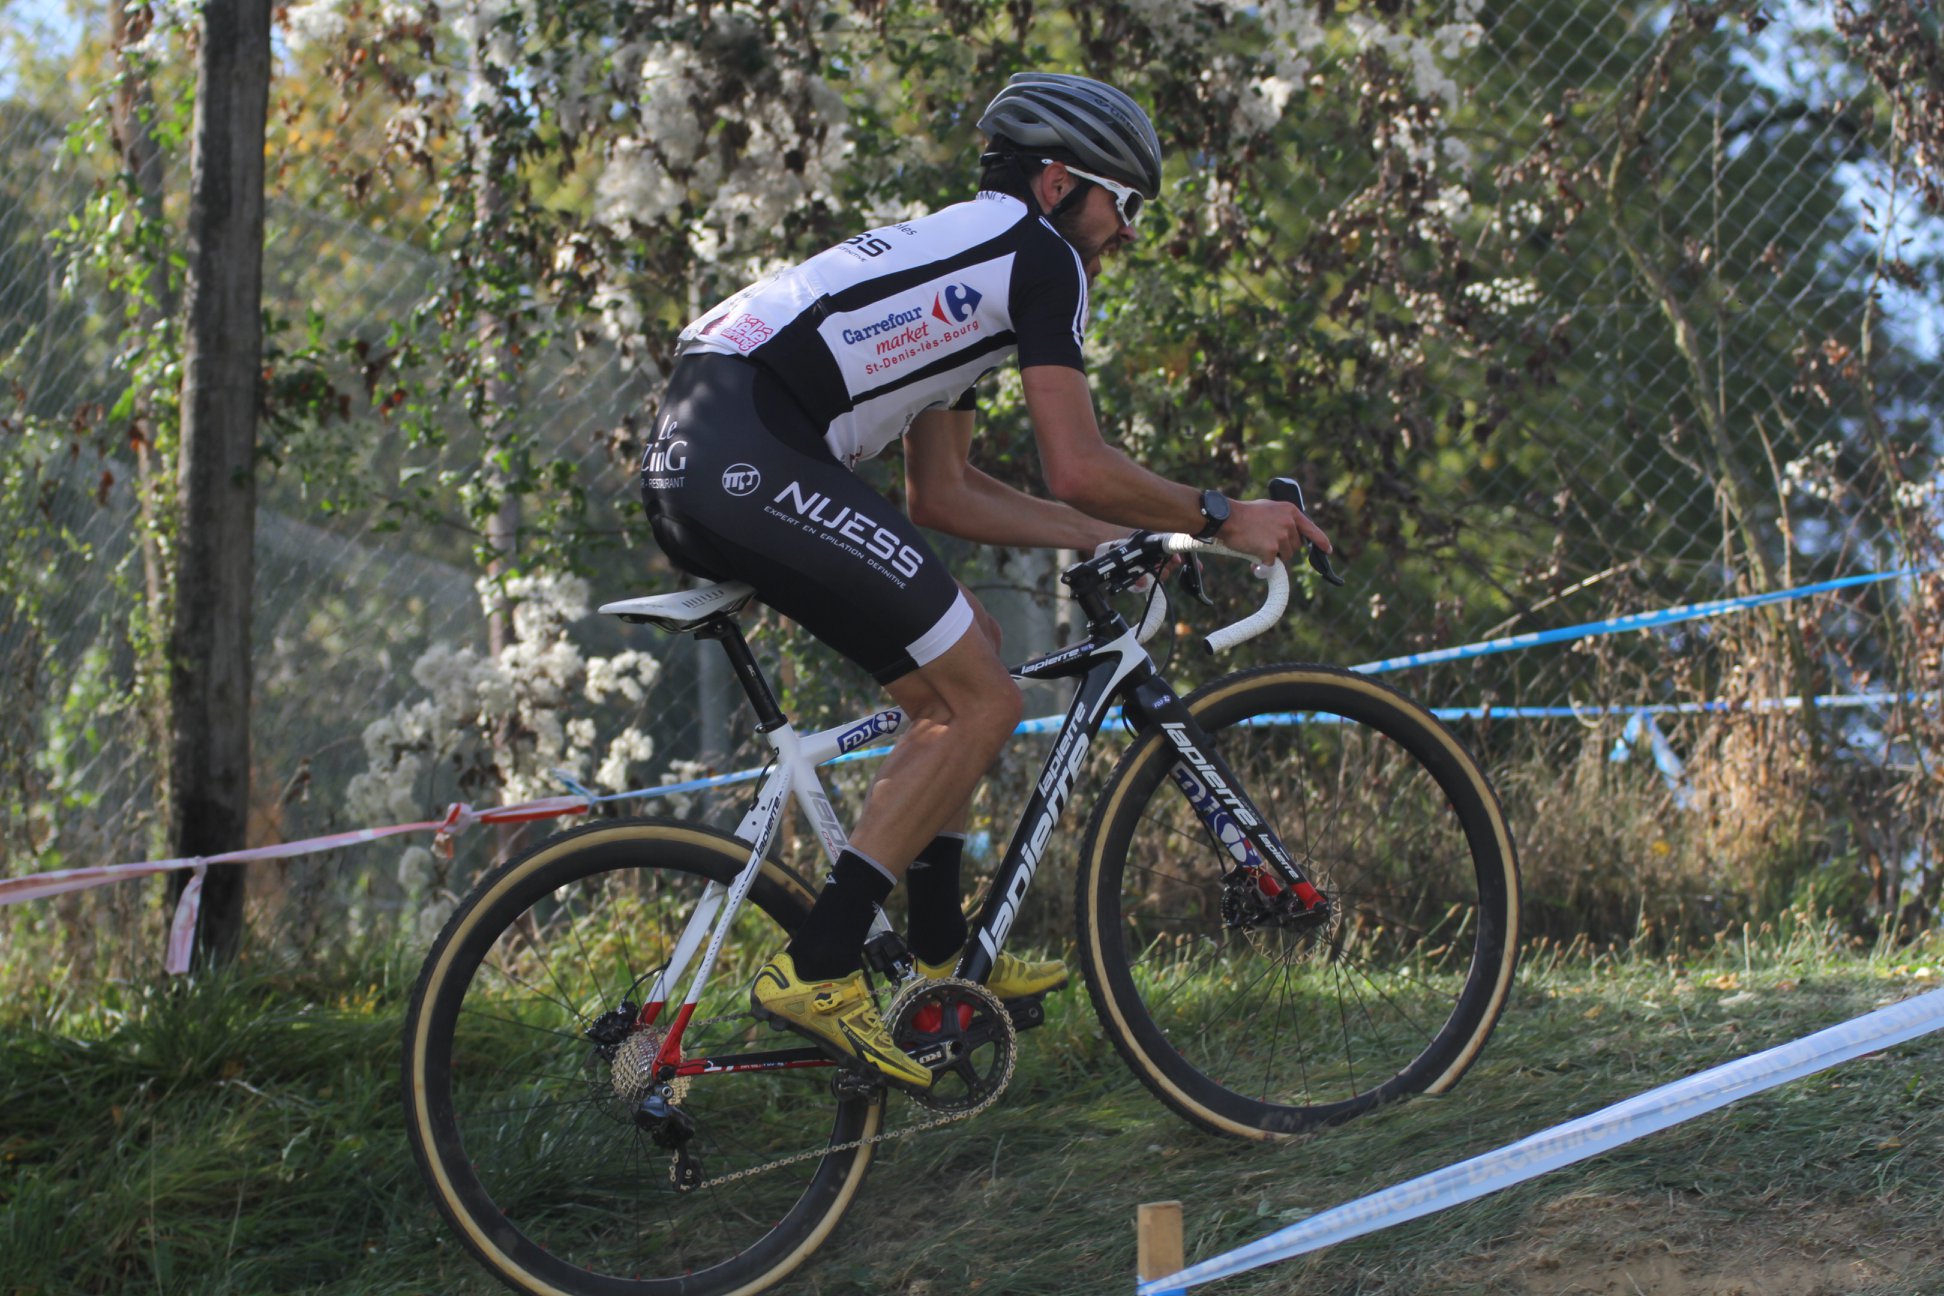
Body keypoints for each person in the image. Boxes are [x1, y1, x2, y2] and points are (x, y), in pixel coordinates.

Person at [641, 72, 1332, 1091]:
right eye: (1124, 204)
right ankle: (819, 965)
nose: (1127, 234)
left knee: (968, 675)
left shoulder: (971, 266)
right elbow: (1079, 463)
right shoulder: (1042, 259)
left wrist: (1104, 534)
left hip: (711, 444)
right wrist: (1223, 517)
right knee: (983, 699)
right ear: (1058, 184)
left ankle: (933, 962)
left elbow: (944, 492)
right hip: (742, 447)